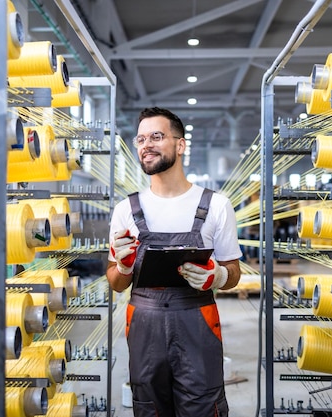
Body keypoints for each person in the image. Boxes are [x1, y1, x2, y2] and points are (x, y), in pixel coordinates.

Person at [107, 107, 242, 417]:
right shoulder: (126, 210)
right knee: (149, 405)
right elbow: (115, 282)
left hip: (197, 319)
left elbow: (234, 272)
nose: (146, 145)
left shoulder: (216, 206)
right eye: (140, 139)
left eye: (157, 136)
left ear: (180, 145)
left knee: (203, 405)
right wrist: (124, 267)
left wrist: (217, 276)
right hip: (144, 323)